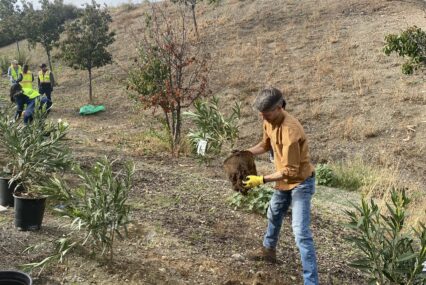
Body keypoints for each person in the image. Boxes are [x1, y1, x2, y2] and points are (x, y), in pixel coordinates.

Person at [243, 87, 318, 285]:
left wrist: (261, 179)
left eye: (265, 113)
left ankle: (311, 281)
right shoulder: (269, 121)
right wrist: (245, 153)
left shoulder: (290, 131)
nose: (262, 117)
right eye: (260, 114)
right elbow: (265, 145)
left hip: (300, 183)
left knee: (300, 232)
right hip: (282, 181)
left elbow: (290, 171)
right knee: (274, 213)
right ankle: (268, 251)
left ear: (278, 108)